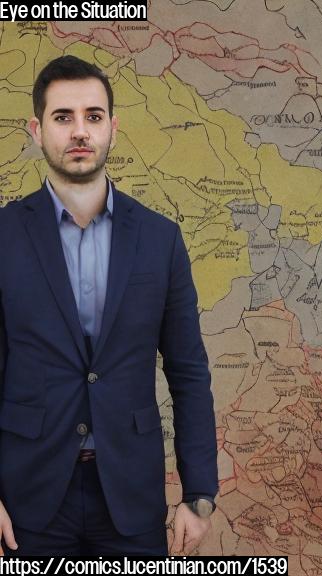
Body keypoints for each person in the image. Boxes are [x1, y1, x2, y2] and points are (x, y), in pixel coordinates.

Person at [0, 55, 217, 555]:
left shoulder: (161, 239)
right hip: (27, 498)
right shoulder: (5, 236)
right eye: (63, 117)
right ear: (37, 130)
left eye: (93, 117)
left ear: (113, 129)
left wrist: (199, 493)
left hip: (131, 496)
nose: (80, 131)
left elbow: (188, 371)